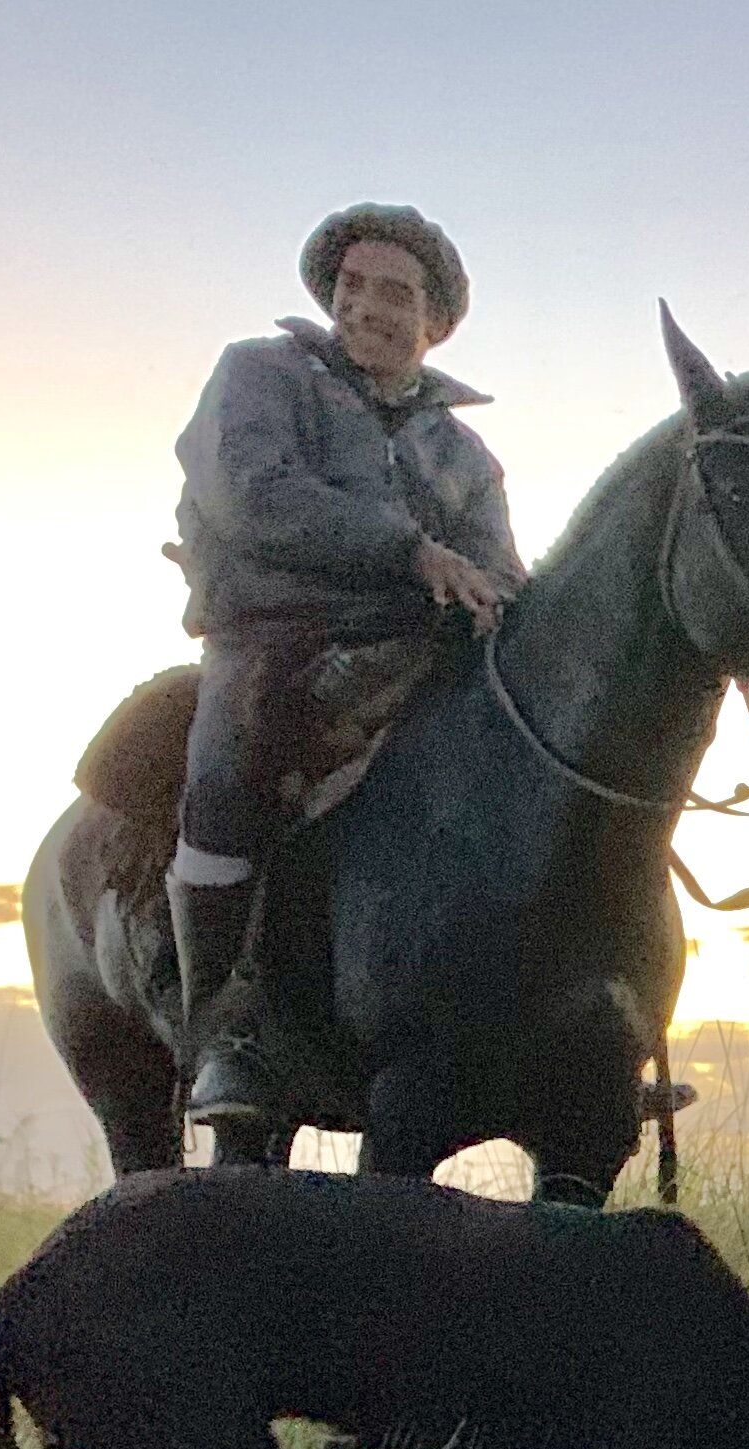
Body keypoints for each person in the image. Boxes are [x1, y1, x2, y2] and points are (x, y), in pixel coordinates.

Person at [165, 204, 526, 1135]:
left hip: (422, 654)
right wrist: (410, 552)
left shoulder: (464, 452)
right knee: (231, 766)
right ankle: (225, 1029)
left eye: (395, 292)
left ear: (432, 320)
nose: (366, 306)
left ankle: (559, 1030)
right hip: (278, 637)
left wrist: (506, 603)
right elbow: (252, 493)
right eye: (352, 286)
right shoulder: (258, 375)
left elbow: (501, 566)